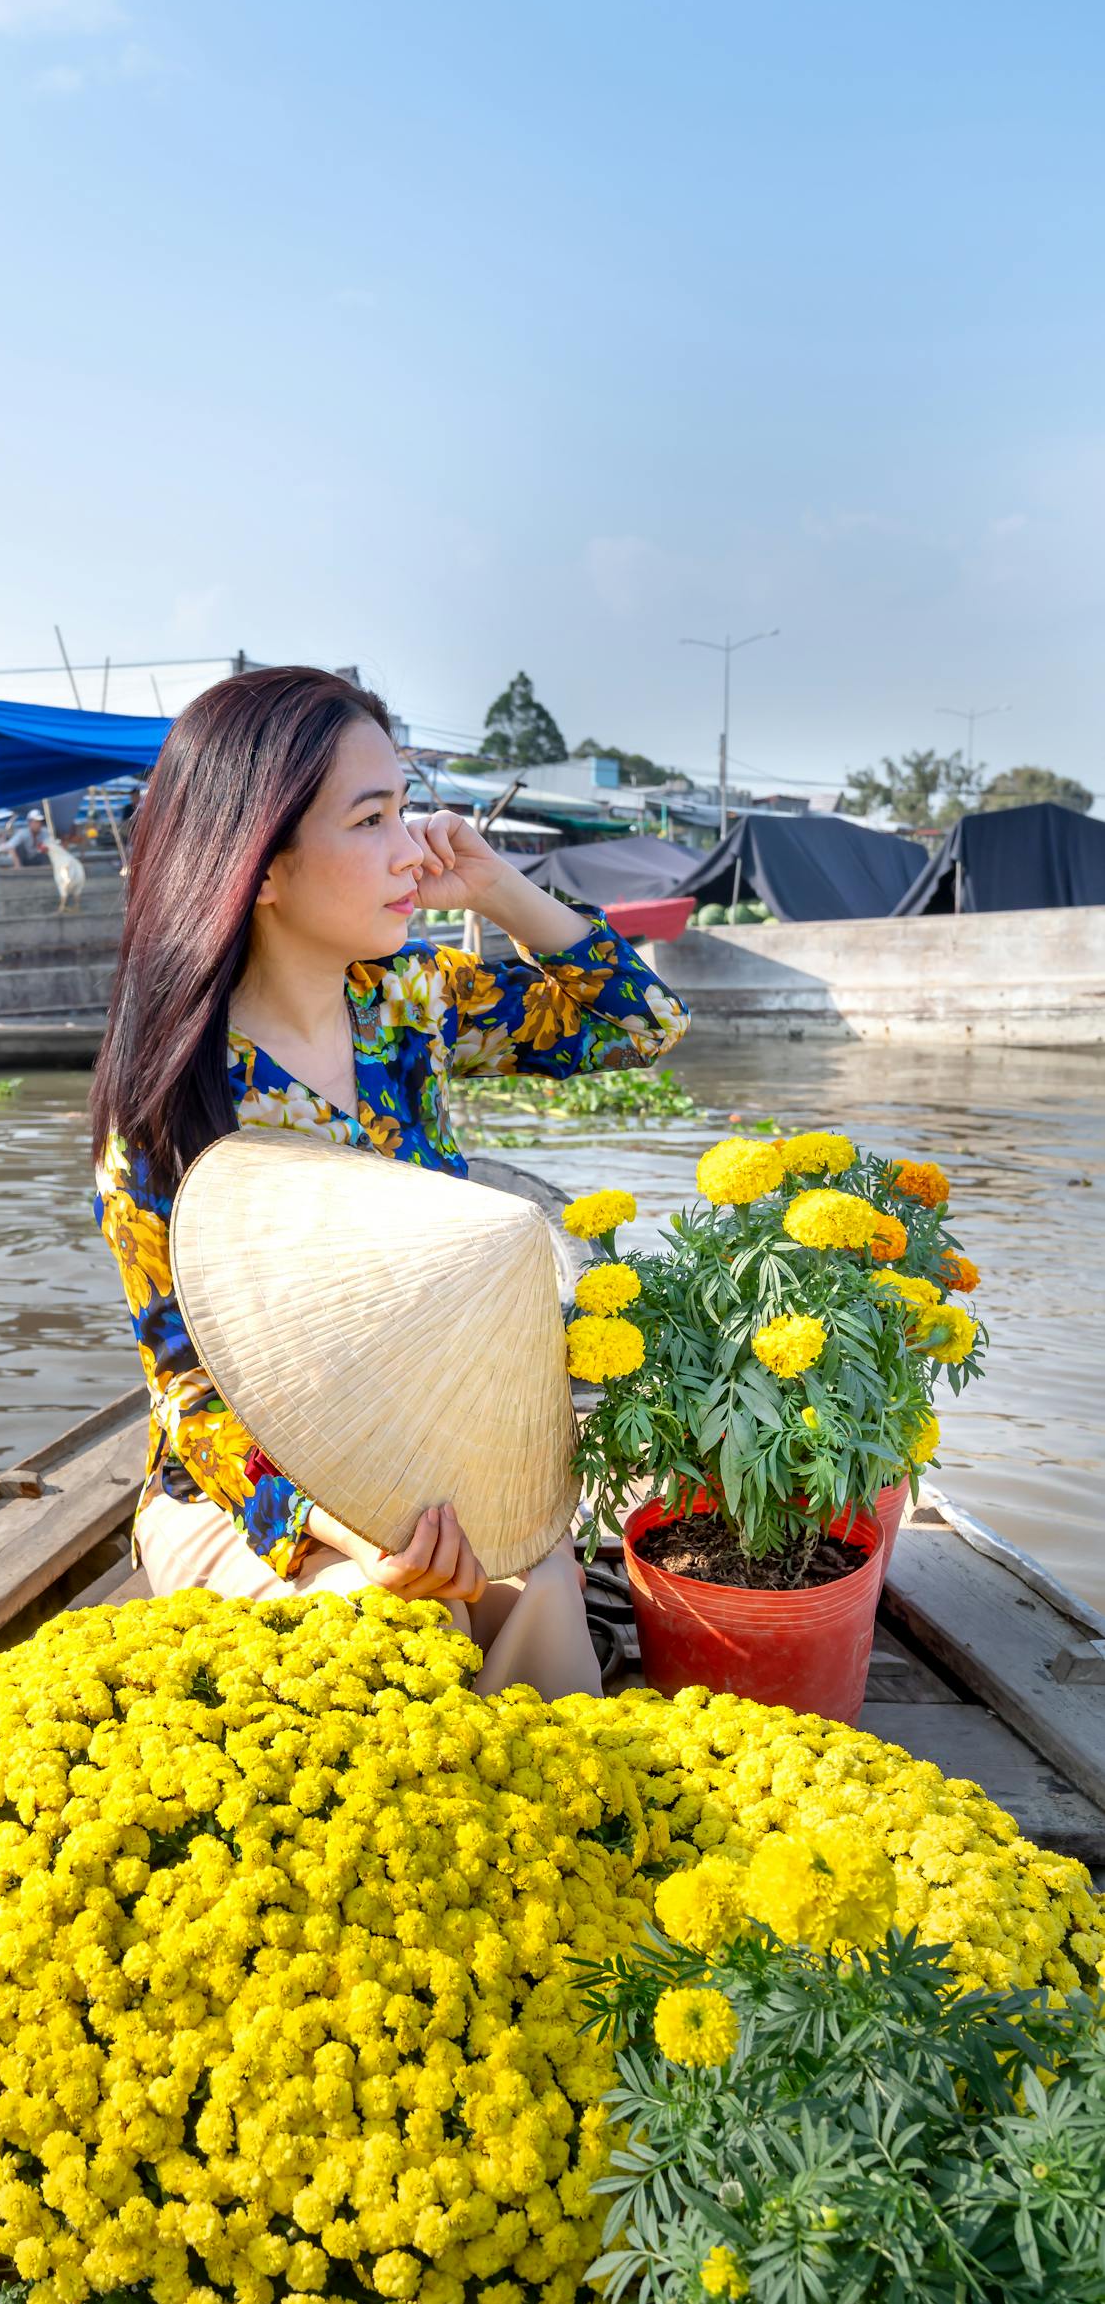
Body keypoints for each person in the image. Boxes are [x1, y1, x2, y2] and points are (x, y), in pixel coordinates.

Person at [91, 666, 690, 1701]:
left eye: (406, 808)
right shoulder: (172, 1107)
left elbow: (639, 1022)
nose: (413, 846)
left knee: (540, 1574)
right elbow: (189, 1395)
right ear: (260, 867)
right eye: (372, 819)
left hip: (435, 1447)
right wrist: (349, 1537)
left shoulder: (406, 1004)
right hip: (256, 1496)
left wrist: (497, 884)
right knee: (383, 1619)